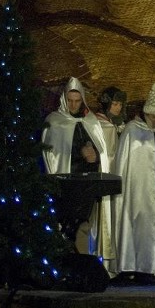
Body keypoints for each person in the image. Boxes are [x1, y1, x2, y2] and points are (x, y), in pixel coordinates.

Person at [113, 82, 155, 279]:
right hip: (140, 191)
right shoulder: (132, 132)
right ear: (147, 114)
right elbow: (125, 165)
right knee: (141, 227)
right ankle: (140, 267)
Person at [42, 77, 114, 263]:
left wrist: (96, 156)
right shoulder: (54, 121)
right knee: (66, 225)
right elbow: (53, 154)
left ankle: (81, 262)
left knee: (83, 225)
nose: (74, 105)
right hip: (65, 184)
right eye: (70, 100)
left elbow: (102, 151)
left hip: (86, 184)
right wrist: (78, 152)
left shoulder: (91, 121)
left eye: (77, 100)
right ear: (64, 99)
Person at [95, 86, 127, 168]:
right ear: (106, 104)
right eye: (115, 104)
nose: (118, 108)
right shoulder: (98, 123)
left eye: (120, 104)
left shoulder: (118, 123)